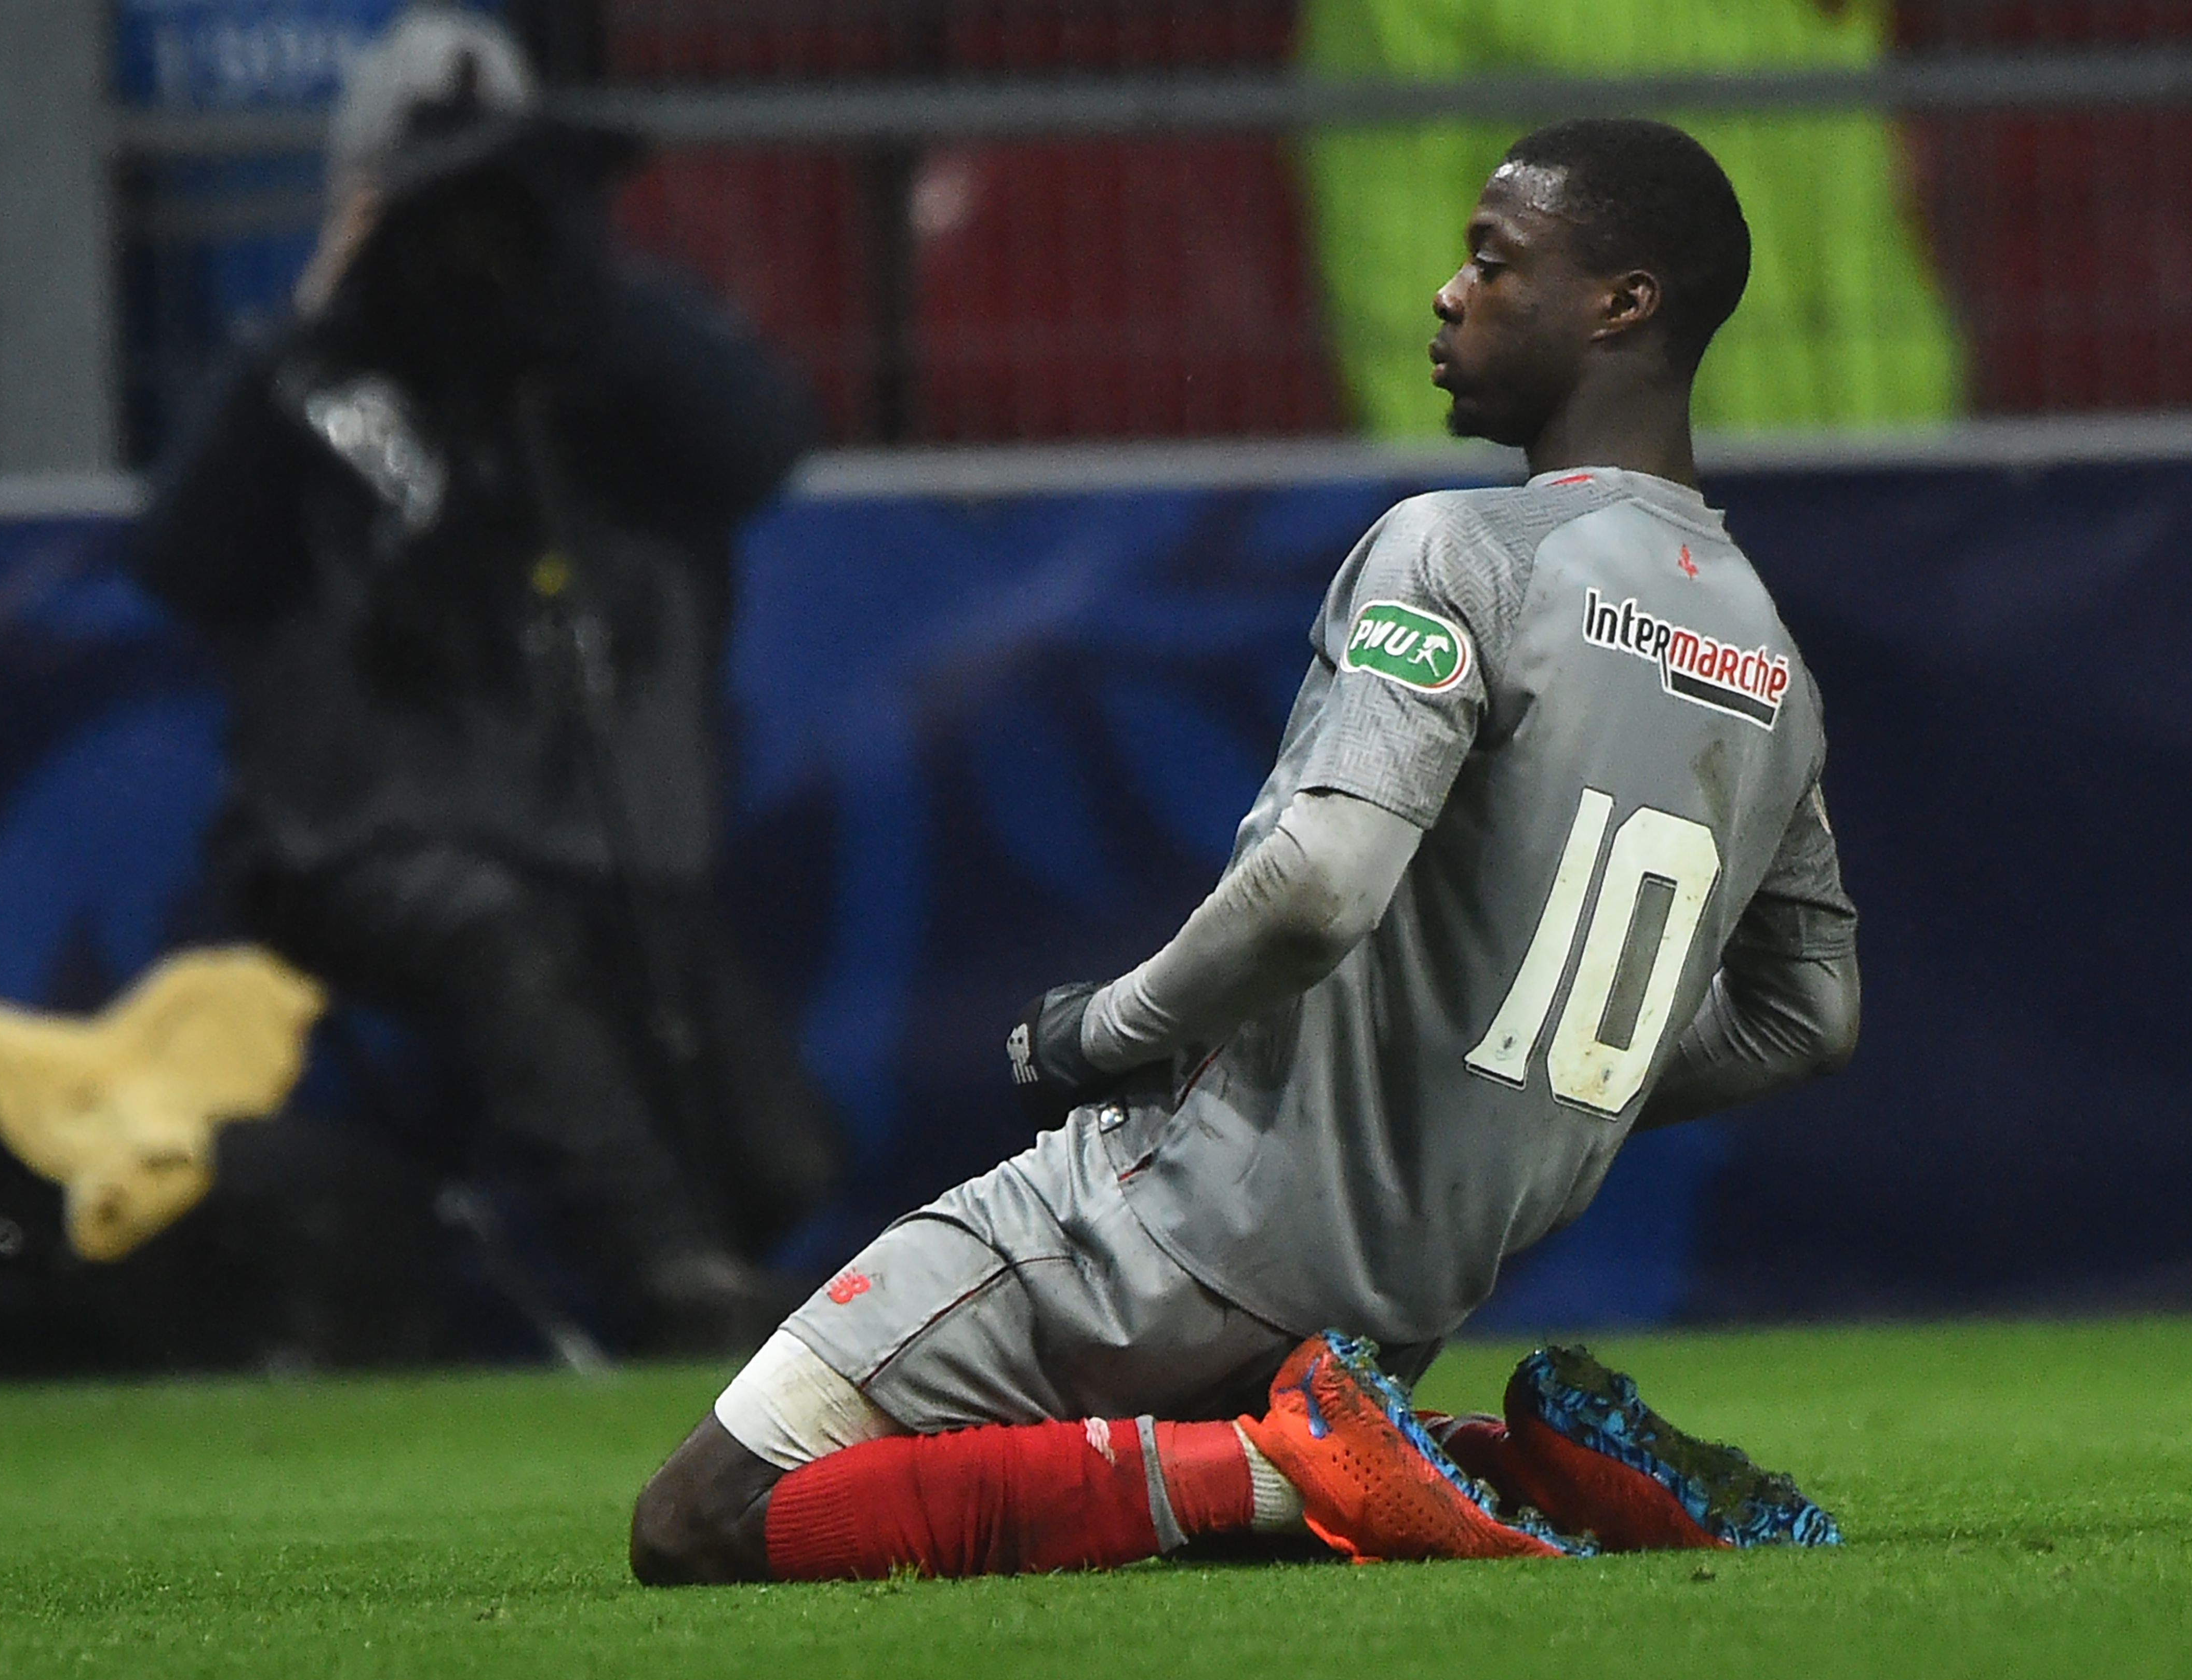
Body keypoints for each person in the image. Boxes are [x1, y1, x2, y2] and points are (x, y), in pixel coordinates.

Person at [630, 118, 1860, 1582]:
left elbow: (1315, 890)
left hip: (1187, 1216)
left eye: (1493, 259)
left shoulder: (1461, 551)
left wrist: (1103, 1027)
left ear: (1624, 304)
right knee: (1148, 1506)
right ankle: (1496, 1464)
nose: (1448, 294)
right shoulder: (1764, 653)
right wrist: (1511, 1110)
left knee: (703, 1518)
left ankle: (1301, 1465)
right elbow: (1809, 1014)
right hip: (1399, 1290)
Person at [132, 9, 838, 1356]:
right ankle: (672, 1289)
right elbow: (181, 556)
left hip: (585, 829)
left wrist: (583, 279)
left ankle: (703, 1254)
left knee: (780, 1163)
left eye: (501, 202)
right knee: (486, 929)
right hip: (350, 836)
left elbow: (760, 444)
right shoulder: (309, 371)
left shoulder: (605, 350)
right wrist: (316, 315)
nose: (471, 246)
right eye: (437, 204)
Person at [1301, 0, 1962, 437]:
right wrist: (1459, 500)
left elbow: (1857, 198)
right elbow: (1391, 231)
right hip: (1587, 496)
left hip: (1863, 458)